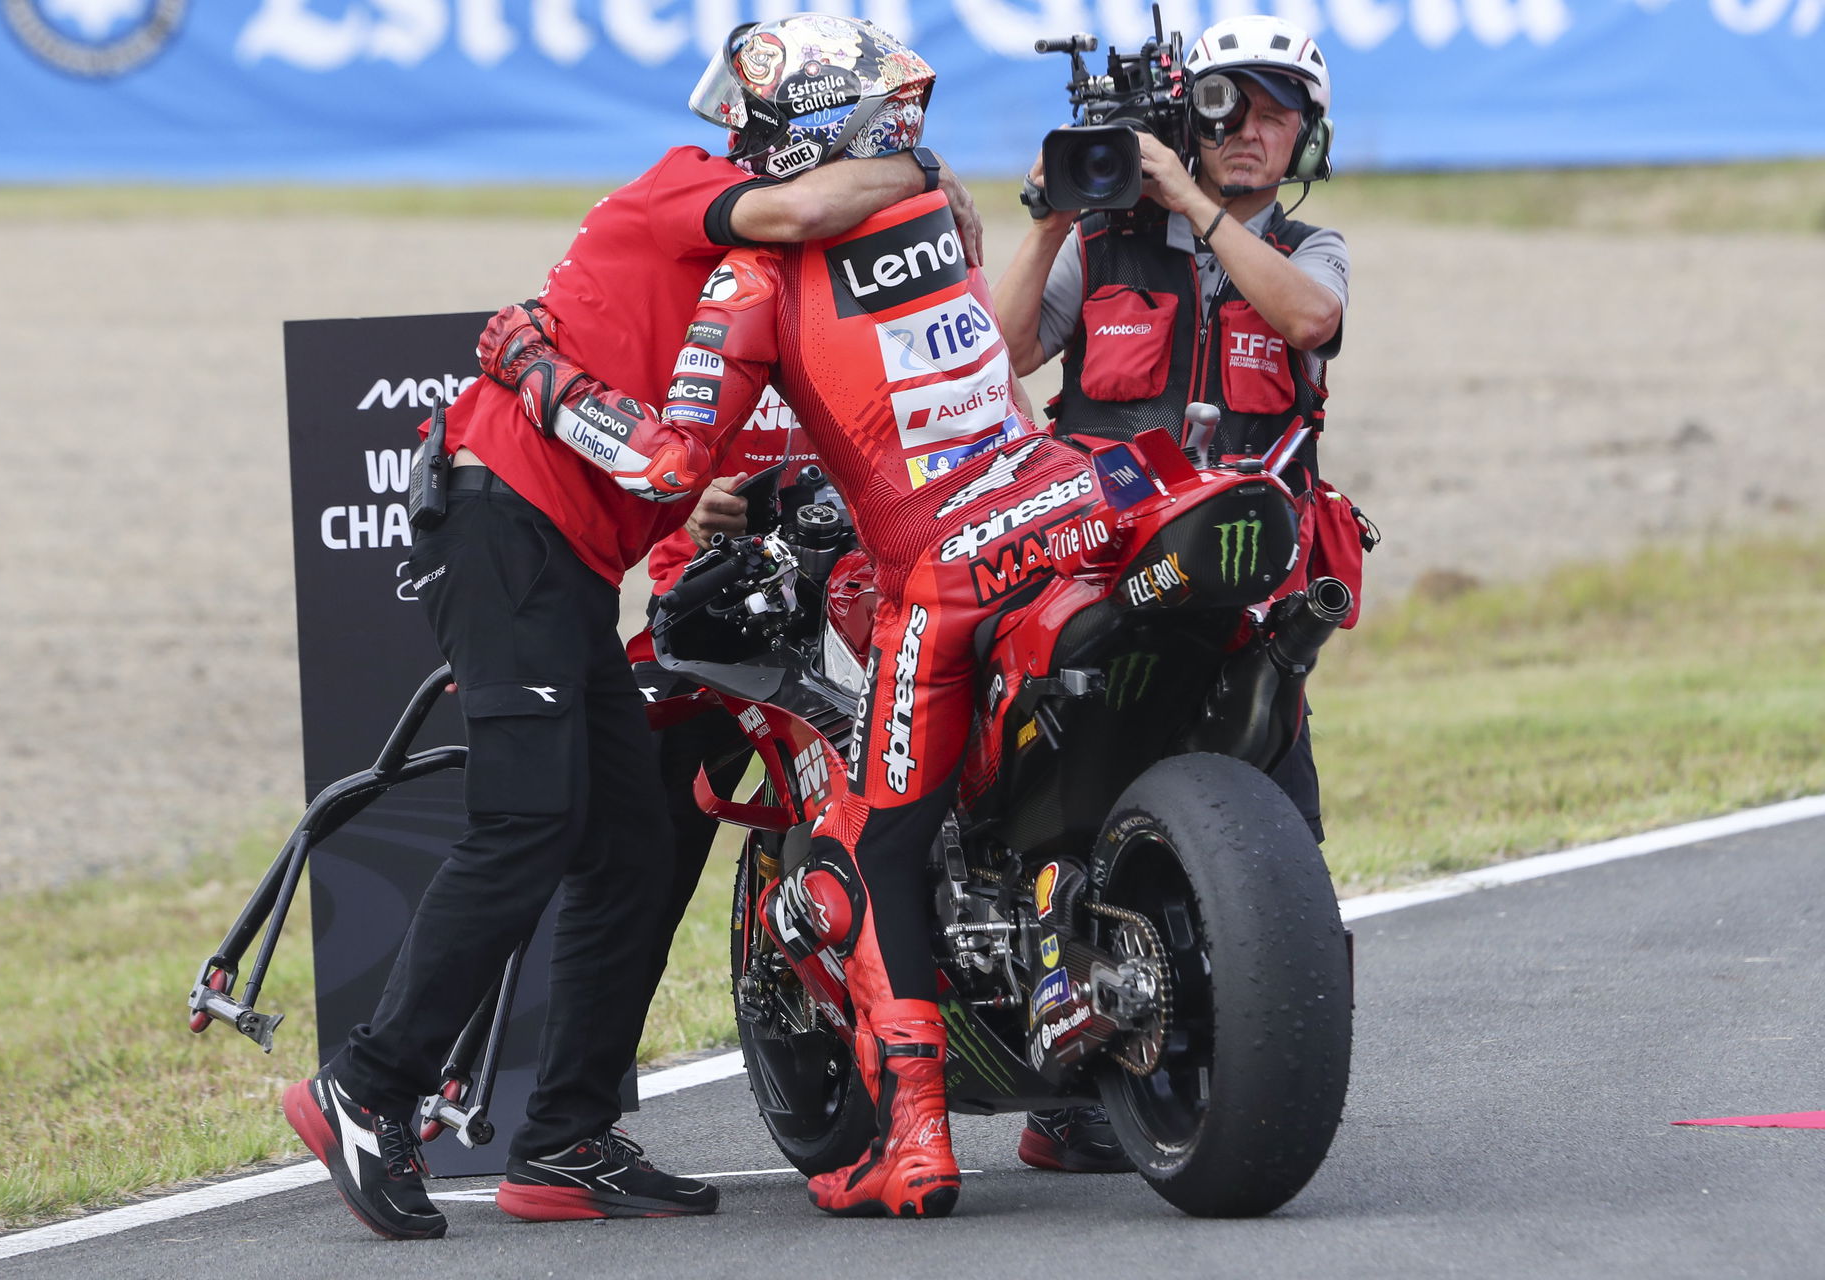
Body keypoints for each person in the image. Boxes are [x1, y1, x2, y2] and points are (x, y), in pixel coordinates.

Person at [280, 14, 986, 1240]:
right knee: (530, 819)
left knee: (625, 845)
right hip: (503, 528)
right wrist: (924, 174)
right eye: (887, 133)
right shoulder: (695, 185)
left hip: (557, 548)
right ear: (831, 134)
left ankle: (563, 1139)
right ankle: (366, 1084)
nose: (904, 153)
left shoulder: (784, 231)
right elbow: (803, 214)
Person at [476, 16, 1114, 1219]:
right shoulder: (943, 213)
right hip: (1059, 502)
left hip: (925, 569)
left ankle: (916, 1130)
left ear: (799, 134)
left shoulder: (749, 271)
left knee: (871, 837)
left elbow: (664, 463)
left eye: (750, 121)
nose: (728, 139)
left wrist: (537, 374)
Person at [993, 11, 1350, 1172]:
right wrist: (1053, 224)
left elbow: (1311, 320)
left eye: (1276, 109)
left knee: (1283, 840)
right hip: (1087, 566)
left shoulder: (1311, 247)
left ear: (1307, 133)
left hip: (1241, 590)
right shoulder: (1104, 244)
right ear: (1186, 115)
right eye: (1227, 104)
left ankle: (1241, 1051)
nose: (1250, 128)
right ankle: (1044, 1059)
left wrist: (1197, 213)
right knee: (1014, 760)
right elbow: (995, 366)